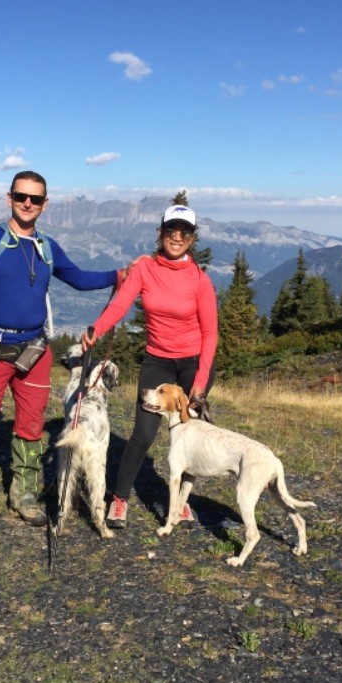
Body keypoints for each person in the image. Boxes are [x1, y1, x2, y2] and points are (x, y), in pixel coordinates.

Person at [0, 170, 124, 541]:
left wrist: (118, 275)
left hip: (35, 351)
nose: (27, 203)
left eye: (35, 199)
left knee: (31, 426)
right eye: (21, 197)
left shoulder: (47, 248)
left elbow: (78, 278)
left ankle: (26, 496)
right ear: (9, 198)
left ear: (45, 204)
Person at [81, 202, 218, 529]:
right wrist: (95, 330)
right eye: (172, 230)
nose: (178, 237)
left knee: (187, 433)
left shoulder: (200, 279)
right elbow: (120, 305)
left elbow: (211, 333)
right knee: (143, 433)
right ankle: (119, 498)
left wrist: (199, 382)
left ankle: (180, 502)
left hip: (193, 364)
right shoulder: (144, 269)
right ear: (161, 233)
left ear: (191, 239)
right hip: (158, 360)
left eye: (185, 233)